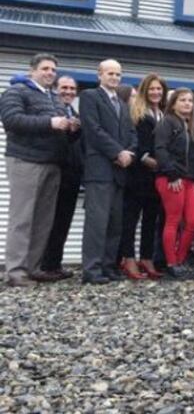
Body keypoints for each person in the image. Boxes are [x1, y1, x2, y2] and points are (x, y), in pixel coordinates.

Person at [0, 53, 78, 287]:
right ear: (32, 70)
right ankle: (15, 271)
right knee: (22, 218)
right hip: (26, 161)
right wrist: (50, 123)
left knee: (43, 220)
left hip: (52, 162)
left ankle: (33, 268)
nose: (50, 73)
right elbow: (12, 120)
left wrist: (70, 126)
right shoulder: (16, 91)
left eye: (53, 69)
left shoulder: (53, 97)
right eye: (45, 68)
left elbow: (58, 125)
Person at [77, 59, 138, 284]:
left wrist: (129, 153)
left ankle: (108, 266)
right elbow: (94, 130)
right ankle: (91, 270)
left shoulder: (122, 105)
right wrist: (117, 153)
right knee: (97, 223)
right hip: (100, 170)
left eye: (118, 74)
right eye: (110, 73)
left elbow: (132, 133)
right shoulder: (89, 97)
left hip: (120, 172)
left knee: (114, 224)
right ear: (99, 75)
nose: (114, 78)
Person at [119, 73, 168, 281]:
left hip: (157, 175)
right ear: (144, 91)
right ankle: (128, 258)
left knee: (151, 218)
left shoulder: (163, 114)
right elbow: (134, 141)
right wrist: (145, 157)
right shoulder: (136, 112)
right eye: (152, 89)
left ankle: (146, 257)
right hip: (138, 174)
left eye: (159, 89)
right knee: (131, 219)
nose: (156, 92)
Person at [154, 87, 194, 280]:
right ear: (173, 103)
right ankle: (172, 263)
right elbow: (160, 149)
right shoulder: (167, 122)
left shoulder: (190, 126)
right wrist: (171, 174)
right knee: (173, 220)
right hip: (171, 178)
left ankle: (180, 258)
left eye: (190, 101)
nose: (187, 104)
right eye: (182, 100)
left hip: (189, 180)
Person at [39, 75, 84, 281]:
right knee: (50, 219)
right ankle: (43, 264)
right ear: (56, 89)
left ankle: (54, 264)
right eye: (64, 87)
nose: (68, 91)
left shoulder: (73, 111)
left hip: (72, 174)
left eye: (72, 88)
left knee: (63, 220)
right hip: (56, 170)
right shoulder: (52, 110)